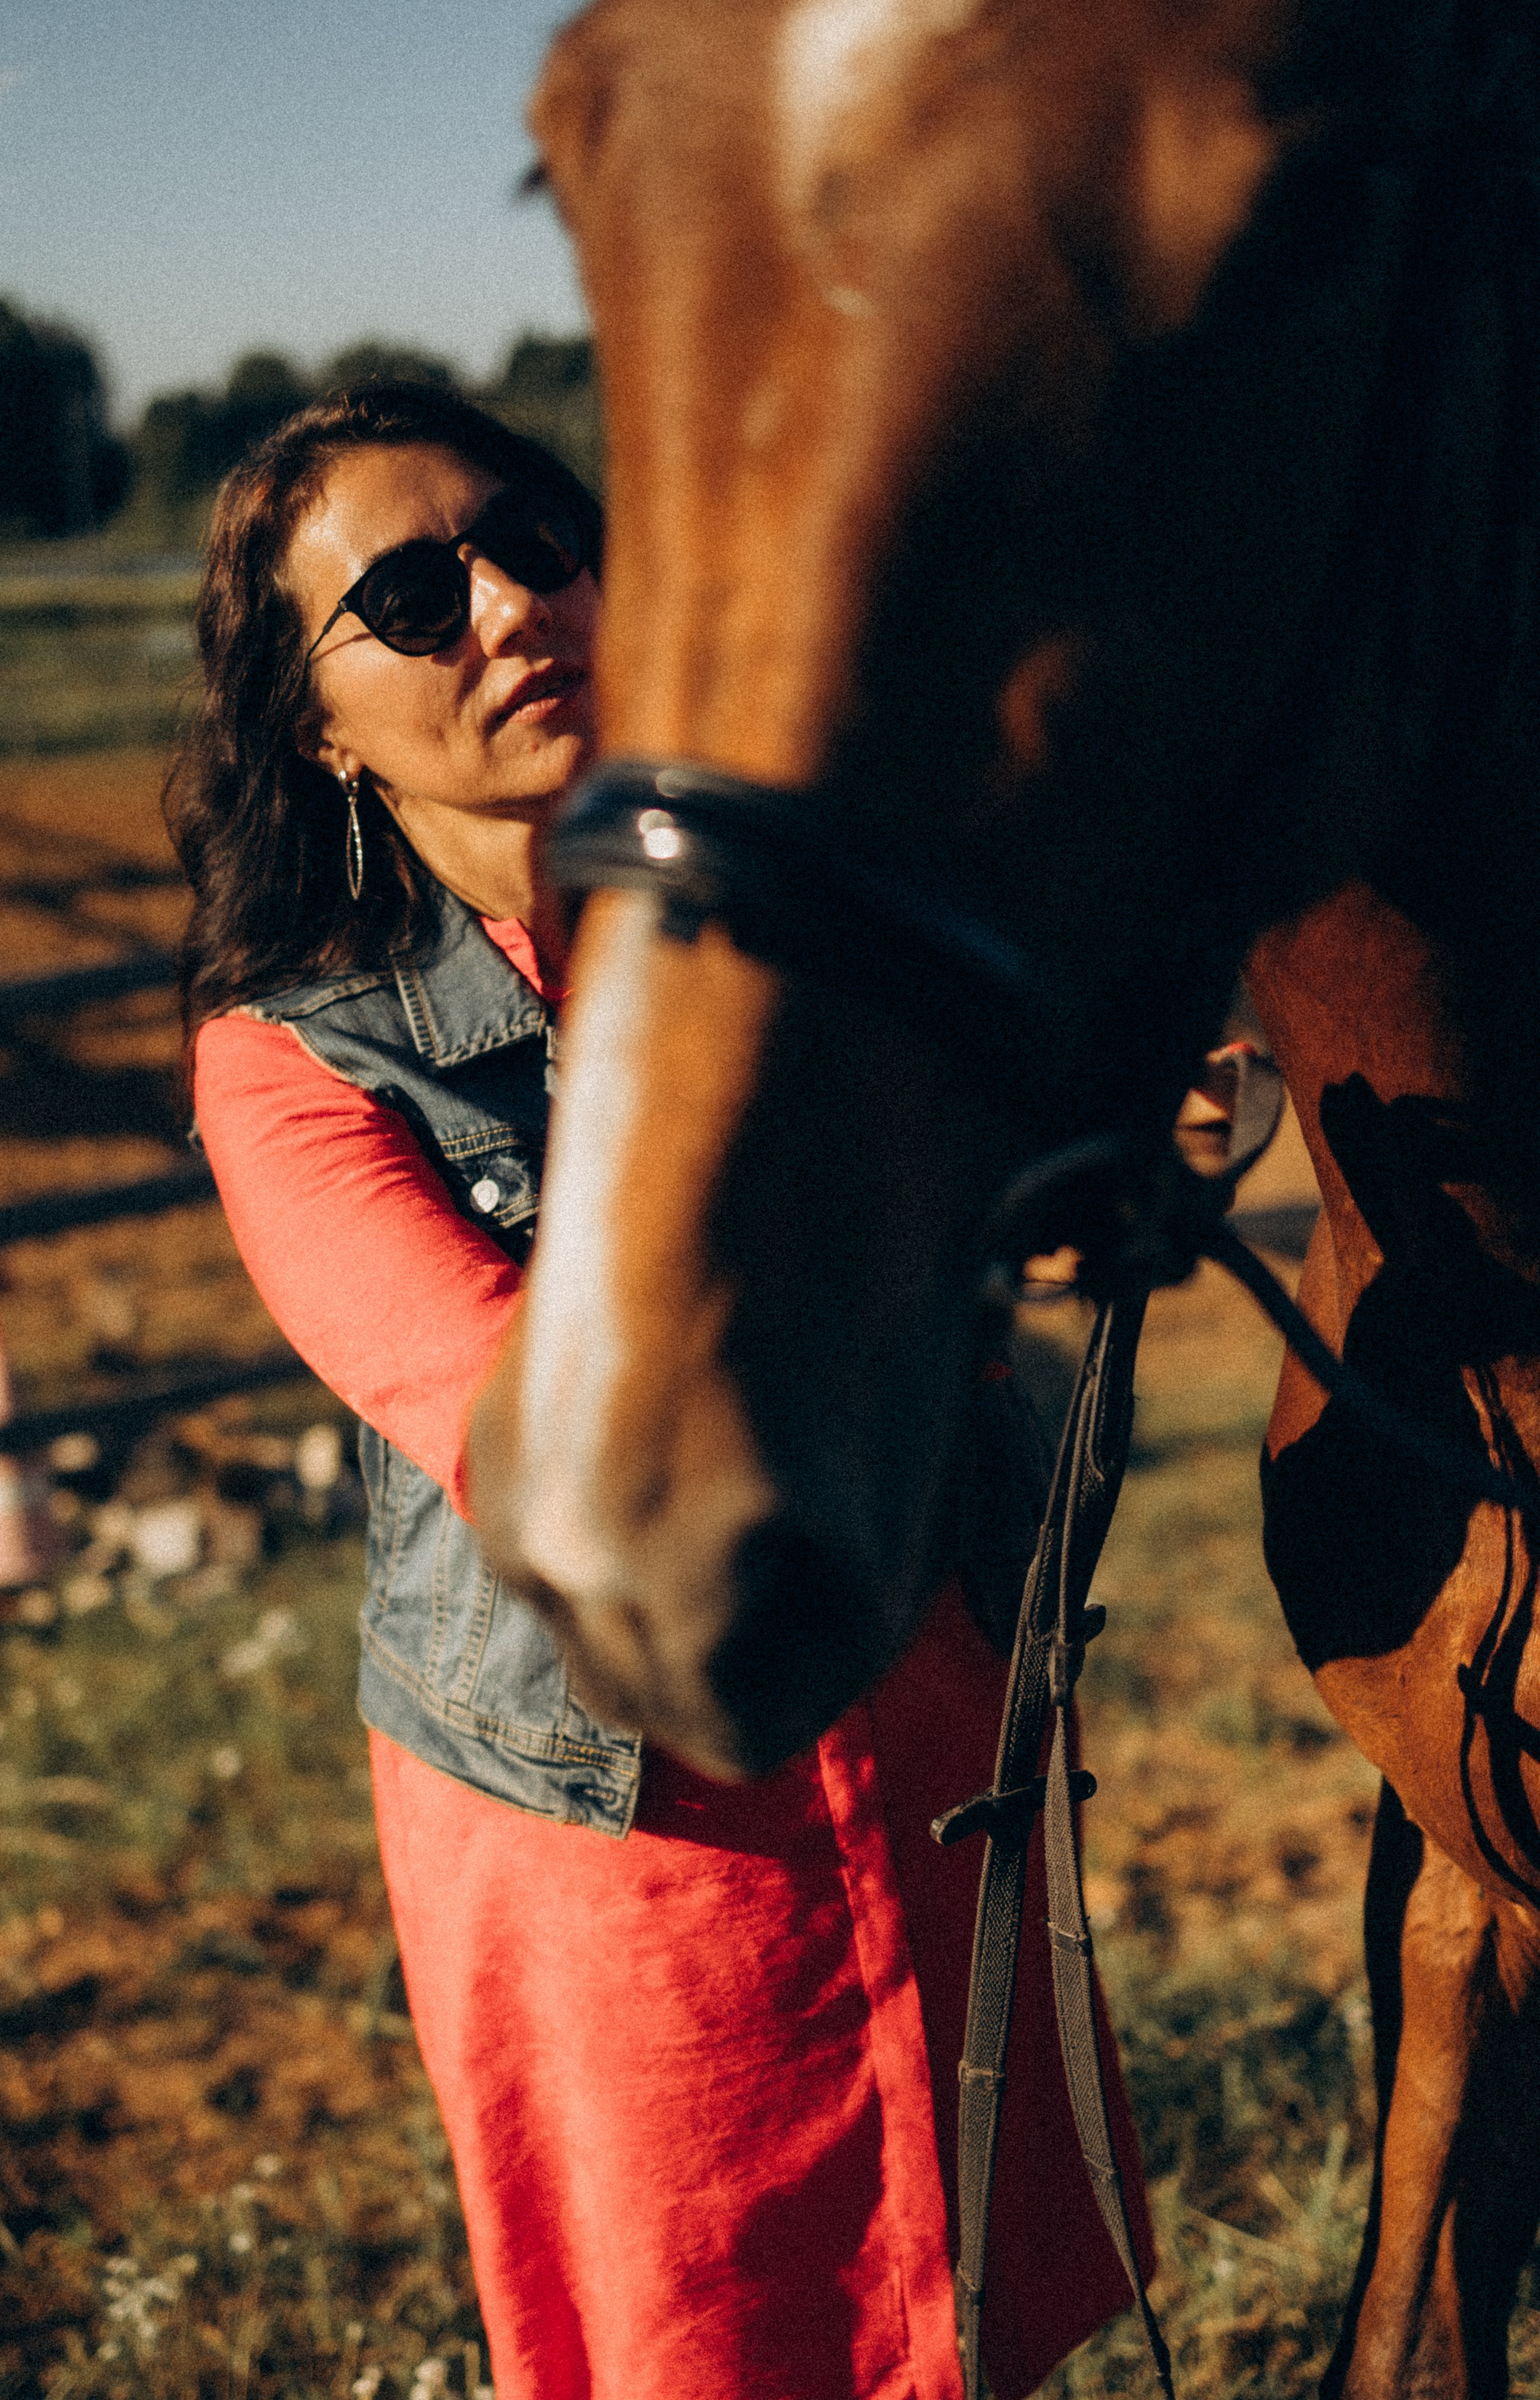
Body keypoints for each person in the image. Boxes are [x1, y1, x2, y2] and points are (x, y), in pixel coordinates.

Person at [166, 380, 1151, 2400]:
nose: (510, 608)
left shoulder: (815, 922)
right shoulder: (294, 1067)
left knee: (990, 2299)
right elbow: (528, 1434)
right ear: (315, 723)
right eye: (414, 597)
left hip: (930, 1719)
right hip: (630, 1835)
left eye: (535, 541)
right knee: (710, 2332)